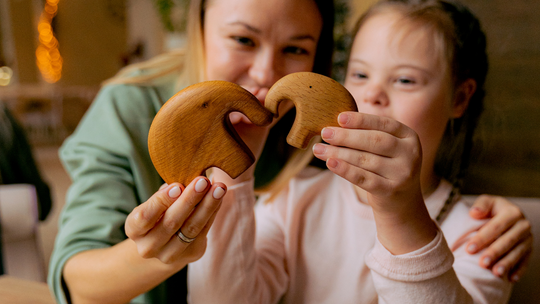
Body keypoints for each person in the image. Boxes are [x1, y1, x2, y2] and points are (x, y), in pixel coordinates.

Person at [47, 0, 531, 303]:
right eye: (242, 38)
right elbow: (78, 279)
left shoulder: (482, 235)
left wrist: (409, 213)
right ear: (198, 26)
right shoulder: (296, 197)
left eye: (296, 49)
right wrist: (229, 177)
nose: (264, 73)